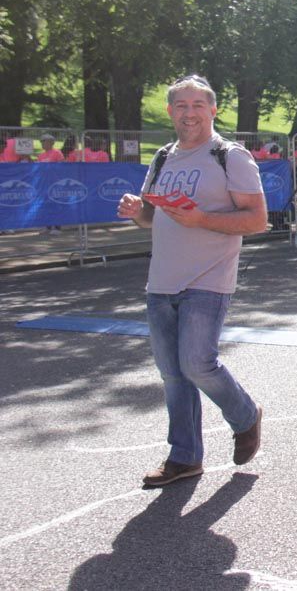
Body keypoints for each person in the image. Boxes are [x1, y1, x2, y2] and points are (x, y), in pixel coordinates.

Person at [116, 74, 266, 487]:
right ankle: (184, 458)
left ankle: (244, 415)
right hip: (161, 282)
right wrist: (137, 212)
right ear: (170, 112)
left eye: (198, 105)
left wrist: (202, 219)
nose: (189, 113)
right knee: (173, 375)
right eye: (181, 105)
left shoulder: (229, 156)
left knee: (197, 364)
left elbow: (257, 219)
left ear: (213, 110)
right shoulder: (163, 157)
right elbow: (153, 216)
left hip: (208, 279)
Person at [37, 134, 65, 235]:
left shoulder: (57, 153)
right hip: (45, 183)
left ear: (50, 142)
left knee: (56, 205)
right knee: (46, 205)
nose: (42, 143)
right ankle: (48, 226)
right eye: (41, 141)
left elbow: (61, 166)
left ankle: (57, 227)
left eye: (43, 141)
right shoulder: (40, 155)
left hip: (55, 184)